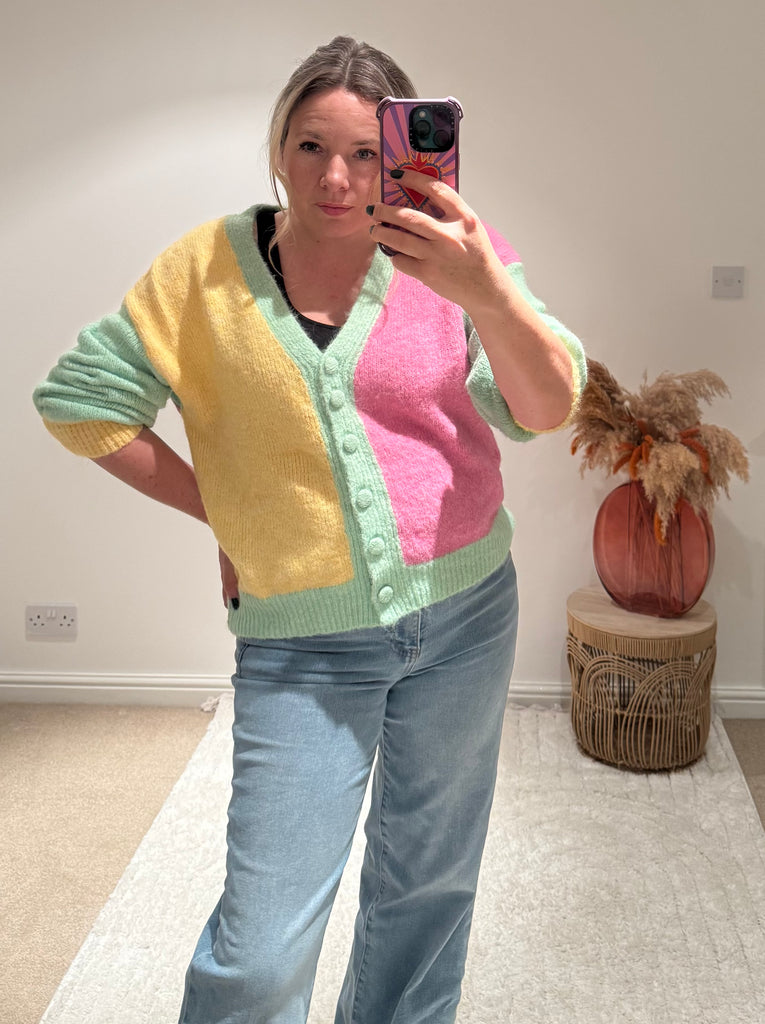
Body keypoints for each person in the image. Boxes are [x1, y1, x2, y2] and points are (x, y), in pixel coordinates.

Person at [33, 35, 585, 1024]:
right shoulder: (202, 273)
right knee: (258, 954)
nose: (337, 177)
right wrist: (230, 511)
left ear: (400, 155)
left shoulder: (454, 253)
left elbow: (544, 408)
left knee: (428, 887)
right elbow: (82, 405)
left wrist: (487, 292)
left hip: (467, 618)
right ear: (277, 151)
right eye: (310, 147)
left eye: (366, 153)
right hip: (303, 643)